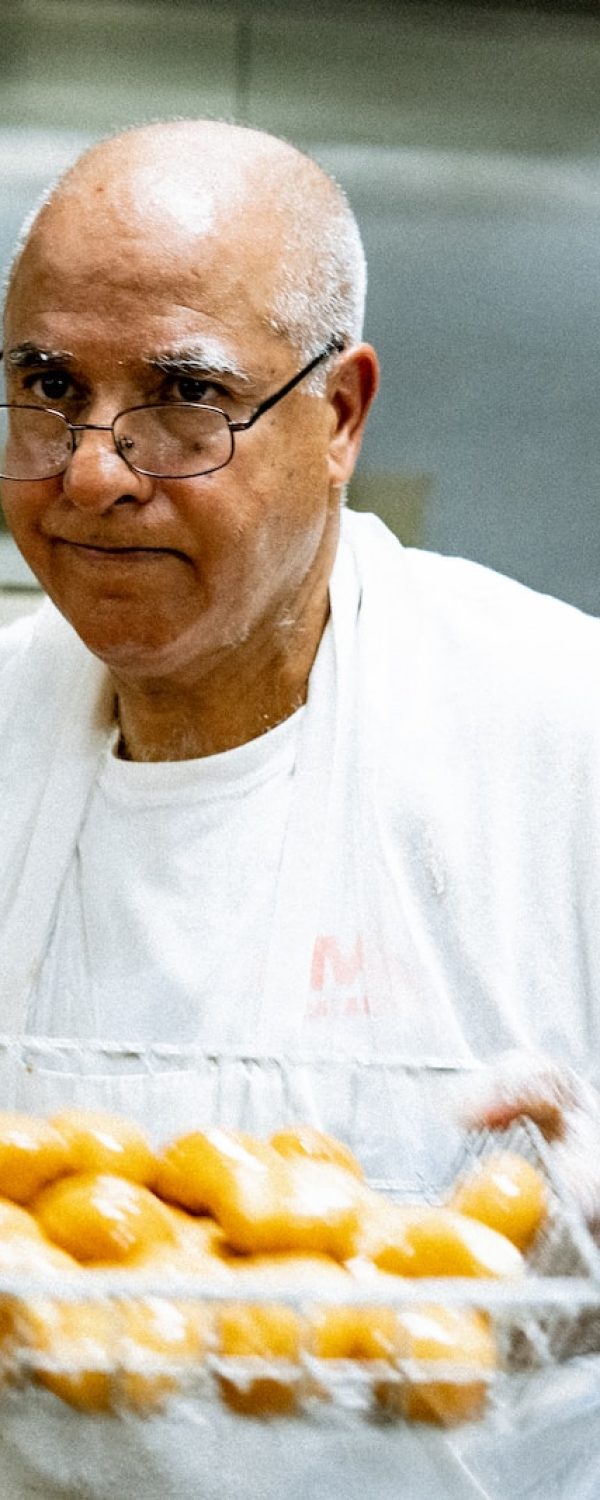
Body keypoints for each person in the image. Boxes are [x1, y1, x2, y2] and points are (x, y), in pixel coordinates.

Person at [1, 118, 600, 1498]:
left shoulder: (555, 728)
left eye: (185, 394)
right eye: (48, 384)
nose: (93, 469)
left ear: (338, 418)